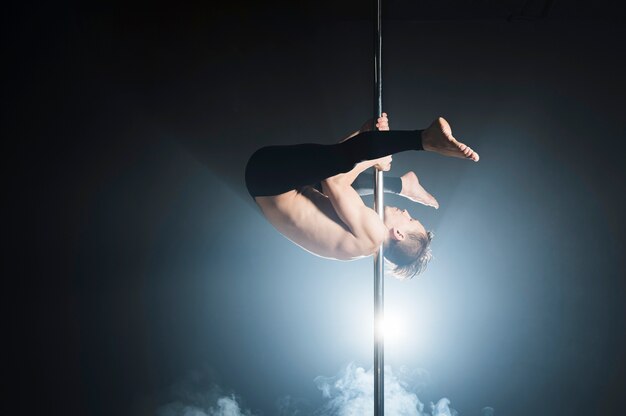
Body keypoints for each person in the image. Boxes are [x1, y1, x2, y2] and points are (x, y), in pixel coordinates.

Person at [245, 114, 479, 278]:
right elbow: (332, 177)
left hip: (271, 179)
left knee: (343, 164)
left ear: (398, 234)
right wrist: (363, 135)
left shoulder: (374, 235)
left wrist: (375, 157)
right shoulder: (366, 241)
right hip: (275, 182)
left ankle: (424, 140)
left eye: (409, 220)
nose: (406, 212)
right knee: (342, 167)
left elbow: (334, 179)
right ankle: (402, 183)